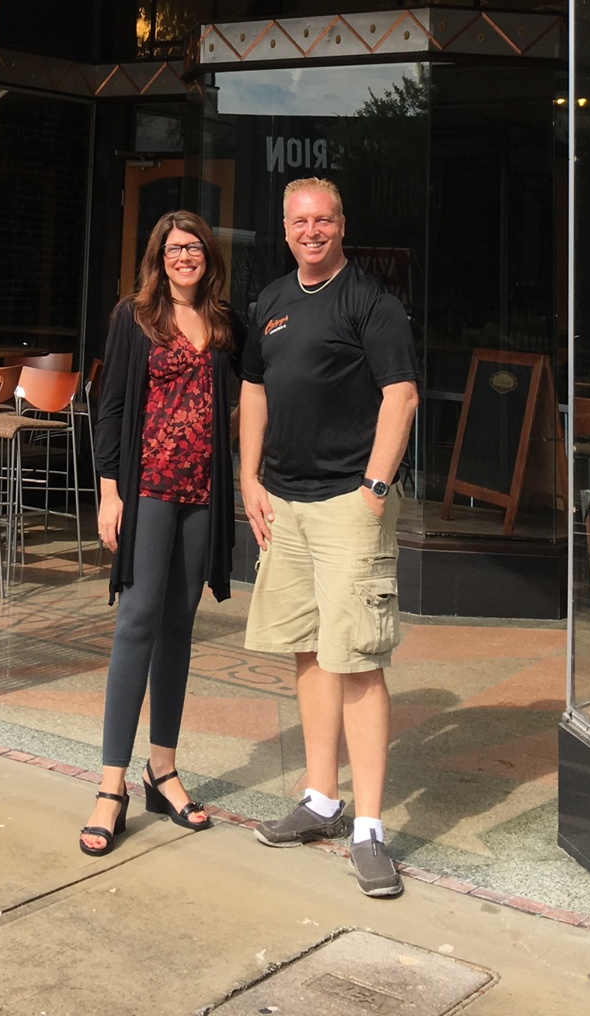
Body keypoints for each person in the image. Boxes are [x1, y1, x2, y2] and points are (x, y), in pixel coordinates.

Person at [239, 178, 419, 898]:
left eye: (324, 219)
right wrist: (248, 478)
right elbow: (253, 389)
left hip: (350, 502)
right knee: (308, 651)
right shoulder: (271, 303)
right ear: (284, 229)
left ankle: (369, 828)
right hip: (283, 503)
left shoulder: (373, 303)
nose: (311, 230)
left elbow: (399, 394)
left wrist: (375, 487)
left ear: (343, 225)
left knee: (358, 660)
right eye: (299, 221)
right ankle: (320, 799)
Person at [80, 210, 241, 856]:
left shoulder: (227, 324)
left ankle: (163, 770)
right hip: (147, 491)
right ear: (159, 256)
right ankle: (111, 786)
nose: (185, 257)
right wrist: (109, 490)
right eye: (175, 248)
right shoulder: (135, 318)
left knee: (180, 623)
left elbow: (252, 393)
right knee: (138, 620)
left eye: (195, 247)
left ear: (208, 256)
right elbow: (111, 404)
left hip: (202, 495)